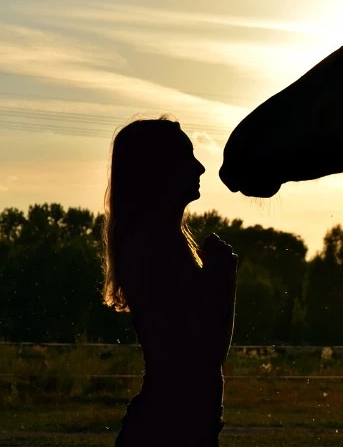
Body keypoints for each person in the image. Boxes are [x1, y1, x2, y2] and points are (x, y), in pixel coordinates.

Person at [101, 116, 238, 446]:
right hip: (173, 430)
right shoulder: (155, 246)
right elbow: (207, 353)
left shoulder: (160, 242)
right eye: (188, 156)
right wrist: (224, 280)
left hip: (177, 425)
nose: (201, 168)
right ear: (159, 169)